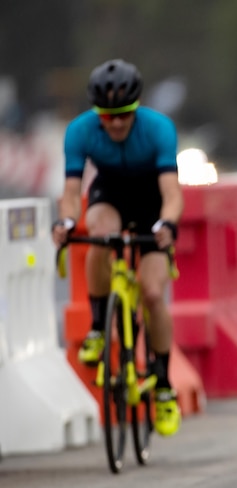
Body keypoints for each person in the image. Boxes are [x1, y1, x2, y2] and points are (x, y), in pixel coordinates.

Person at [51, 58, 183, 437]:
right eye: (108, 117)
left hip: (150, 203)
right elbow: (72, 193)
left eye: (124, 114)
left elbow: (171, 193)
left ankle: (161, 383)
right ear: (97, 114)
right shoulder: (79, 131)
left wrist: (167, 225)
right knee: (99, 235)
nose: (117, 123)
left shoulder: (158, 128)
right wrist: (64, 222)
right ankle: (97, 326)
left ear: (135, 108)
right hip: (109, 195)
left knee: (154, 293)